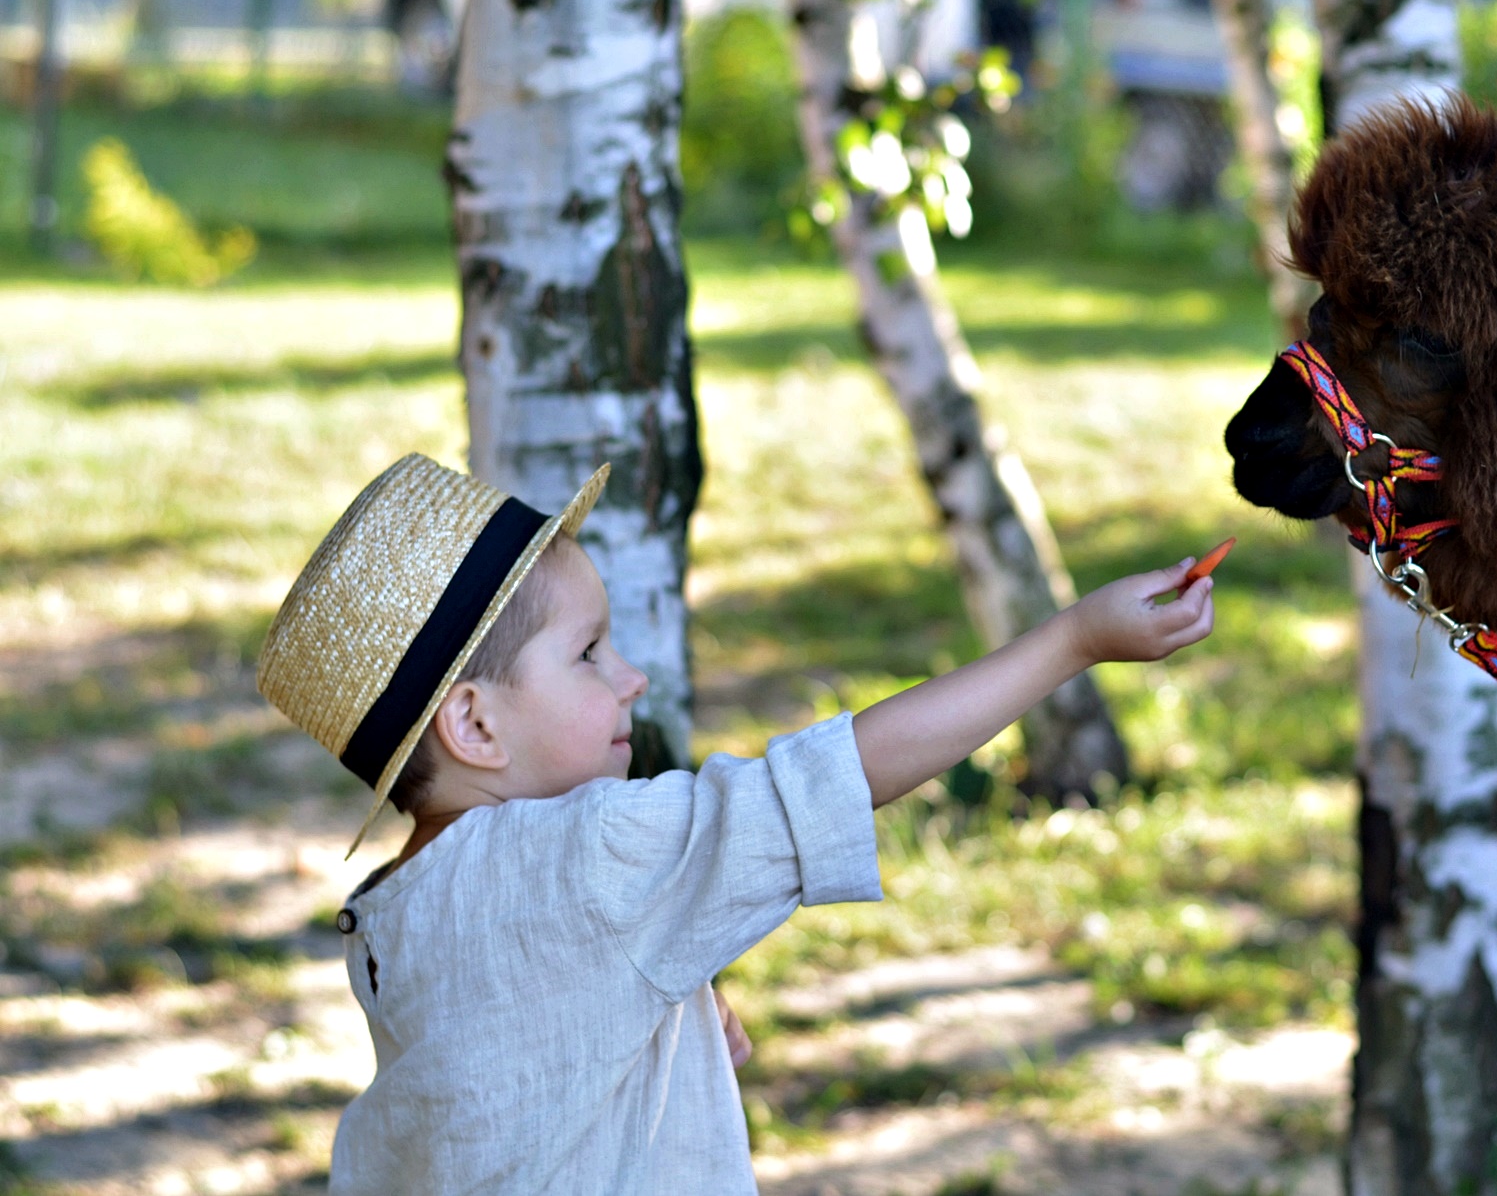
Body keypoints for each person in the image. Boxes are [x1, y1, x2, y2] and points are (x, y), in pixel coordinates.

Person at [254, 454, 1217, 1194]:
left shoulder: (389, 916)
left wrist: (657, 1019)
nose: (629, 676)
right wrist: (1074, 640)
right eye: (588, 652)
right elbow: (840, 774)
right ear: (473, 724)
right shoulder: (593, 855)